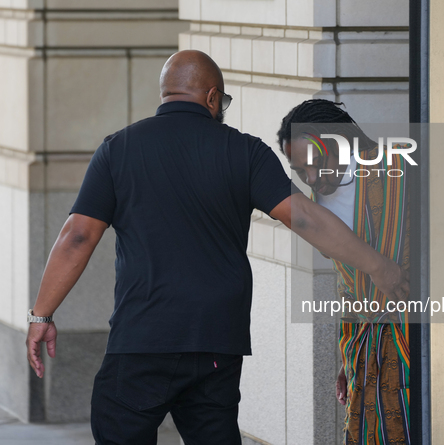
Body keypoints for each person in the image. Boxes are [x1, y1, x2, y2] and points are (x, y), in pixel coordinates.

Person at [25, 51, 409, 445]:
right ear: (211, 98)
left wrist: (42, 316)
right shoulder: (245, 151)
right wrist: (379, 266)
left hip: (143, 339)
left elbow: (77, 237)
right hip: (216, 343)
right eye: (222, 102)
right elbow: (306, 218)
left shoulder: (118, 149)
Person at [277, 99, 411, 444]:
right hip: (365, 344)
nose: (312, 179)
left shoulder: (401, 165)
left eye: (316, 165)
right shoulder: (315, 200)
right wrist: (349, 353)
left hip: (420, 337)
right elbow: (347, 283)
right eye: (300, 171)